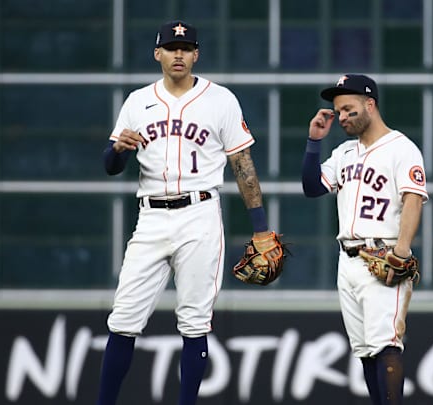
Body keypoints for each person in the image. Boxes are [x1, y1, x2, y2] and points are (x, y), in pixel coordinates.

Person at [96, 20, 280, 405]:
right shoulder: (137, 101)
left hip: (199, 214)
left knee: (194, 322)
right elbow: (110, 165)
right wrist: (118, 151)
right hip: (150, 215)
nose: (178, 54)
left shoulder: (221, 100)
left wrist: (261, 228)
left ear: (196, 55)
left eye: (186, 48)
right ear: (157, 54)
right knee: (123, 318)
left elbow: (242, 164)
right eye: (171, 47)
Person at [301, 74, 428, 404]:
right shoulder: (344, 153)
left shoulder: (402, 148)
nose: (341, 116)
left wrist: (401, 251)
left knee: (386, 345)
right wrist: (314, 141)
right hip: (348, 260)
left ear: (370, 104)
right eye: (338, 111)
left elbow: (413, 199)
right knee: (366, 351)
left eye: (348, 109)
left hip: (383, 255)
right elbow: (312, 187)